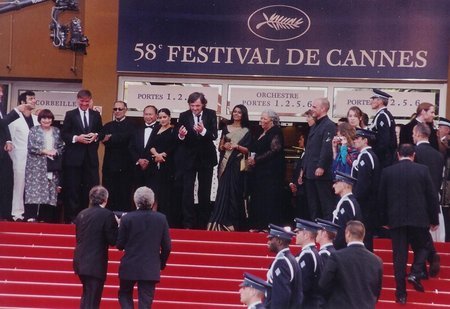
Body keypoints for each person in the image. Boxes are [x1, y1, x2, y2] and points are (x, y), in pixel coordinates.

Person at [379, 144, 439, 304]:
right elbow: (432, 197)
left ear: (398, 155)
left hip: (396, 221)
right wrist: (434, 219)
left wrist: (384, 221)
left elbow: (382, 199)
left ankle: (401, 293)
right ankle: (416, 271)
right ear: (413, 155)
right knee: (424, 247)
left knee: (399, 257)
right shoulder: (423, 170)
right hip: (419, 219)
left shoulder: (387, 172)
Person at [116, 186, 171, 308]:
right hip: (150, 266)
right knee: (146, 301)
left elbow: (119, 245)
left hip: (130, 264)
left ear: (135, 201)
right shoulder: (161, 219)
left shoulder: (127, 218)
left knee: (124, 294)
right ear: (152, 202)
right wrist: (161, 263)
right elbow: (167, 246)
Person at [175, 92, 218, 229]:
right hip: (189, 159)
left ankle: (202, 224)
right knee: (187, 191)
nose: (194, 108)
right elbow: (179, 137)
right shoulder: (183, 115)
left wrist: (204, 131)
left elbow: (214, 135)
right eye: (192, 105)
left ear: (203, 104)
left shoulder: (211, 114)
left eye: (197, 106)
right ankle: (188, 223)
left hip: (206, 159)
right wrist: (181, 135)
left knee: (204, 192)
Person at [319, 220, 383, 308]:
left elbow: (323, 285)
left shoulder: (337, 257)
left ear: (348, 234)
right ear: (363, 235)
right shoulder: (377, 261)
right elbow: (377, 291)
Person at [73, 185, 118, 309]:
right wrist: (117, 226)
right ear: (105, 199)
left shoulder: (82, 214)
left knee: (87, 296)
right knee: (92, 299)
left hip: (81, 261)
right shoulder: (107, 215)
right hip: (95, 263)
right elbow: (112, 240)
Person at [61, 89, 103, 223]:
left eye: (87, 101)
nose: (84, 104)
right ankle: (73, 218)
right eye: (82, 101)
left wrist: (96, 136)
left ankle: (89, 217)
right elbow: (64, 134)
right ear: (77, 100)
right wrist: (76, 138)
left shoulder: (96, 115)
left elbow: (101, 132)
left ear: (90, 100)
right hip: (74, 159)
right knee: (73, 188)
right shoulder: (70, 114)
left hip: (90, 158)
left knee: (90, 188)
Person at [208, 104, 251, 231]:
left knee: (234, 192)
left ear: (243, 115)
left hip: (236, 165)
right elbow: (220, 146)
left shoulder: (246, 131)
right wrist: (224, 146)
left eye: (239, 112)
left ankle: (233, 223)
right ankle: (220, 222)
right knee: (223, 191)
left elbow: (247, 150)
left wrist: (236, 146)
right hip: (224, 164)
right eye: (235, 112)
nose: (236, 114)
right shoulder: (226, 128)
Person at [413, 123, 444, 277]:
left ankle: (426, 261)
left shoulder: (414, 153)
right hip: (432, 199)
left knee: (418, 235)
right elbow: (438, 181)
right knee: (422, 233)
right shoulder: (438, 155)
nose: (412, 136)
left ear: (418, 134)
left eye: (413, 133)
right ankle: (425, 264)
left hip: (416, 199)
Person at [24, 109, 64, 222]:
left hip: (52, 165)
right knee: (34, 189)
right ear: (40, 119)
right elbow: (31, 146)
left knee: (50, 189)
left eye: (49, 118)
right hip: (36, 165)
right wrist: (45, 151)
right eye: (44, 118)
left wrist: (56, 151)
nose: (46, 120)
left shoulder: (56, 131)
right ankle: (31, 216)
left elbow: (61, 146)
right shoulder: (34, 130)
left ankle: (45, 218)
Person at [247, 110, 285, 230]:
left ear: (272, 120)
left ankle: (267, 225)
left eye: (264, 119)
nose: (261, 121)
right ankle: (257, 224)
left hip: (271, 173)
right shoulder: (262, 132)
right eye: (261, 118)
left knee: (268, 199)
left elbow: (274, 150)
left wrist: (256, 160)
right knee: (258, 198)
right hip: (259, 172)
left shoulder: (276, 132)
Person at [300, 98, 336, 220]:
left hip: (321, 173)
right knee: (313, 205)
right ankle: (314, 230)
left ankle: (328, 232)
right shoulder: (314, 126)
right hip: (310, 172)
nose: (312, 109)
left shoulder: (329, 125)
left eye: (314, 107)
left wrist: (321, 166)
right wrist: (303, 169)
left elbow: (326, 148)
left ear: (323, 109)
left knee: (325, 204)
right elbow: (309, 149)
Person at [8, 91, 39, 221]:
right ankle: (17, 213)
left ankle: (31, 214)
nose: (34, 101)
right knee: (19, 185)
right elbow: (10, 141)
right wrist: (14, 158)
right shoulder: (14, 120)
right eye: (31, 98)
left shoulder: (37, 119)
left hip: (35, 158)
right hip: (20, 156)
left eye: (34, 98)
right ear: (22, 102)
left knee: (33, 185)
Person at [101, 101, 136, 212]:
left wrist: (112, 137)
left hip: (126, 167)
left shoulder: (132, 125)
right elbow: (104, 139)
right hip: (109, 167)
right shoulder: (108, 125)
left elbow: (128, 139)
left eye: (120, 109)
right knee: (109, 196)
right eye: (115, 109)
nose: (117, 111)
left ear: (125, 110)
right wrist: (115, 138)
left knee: (125, 196)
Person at [351, 128, 381, 251]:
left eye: (358, 138)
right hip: (367, 201)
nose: (355, 141)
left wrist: (355, 198)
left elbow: (363, 183)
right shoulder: (366, 155)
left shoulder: (366, 156)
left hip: (365, 202)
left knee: (365, 234)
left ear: (365, 140)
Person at [149, 108, 178, 225]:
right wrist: (156, 155)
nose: (162, 119)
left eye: (164, 117)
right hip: (155, 164)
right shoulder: (156, 128)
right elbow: (150, 145)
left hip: (168, 165)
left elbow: (174, 146)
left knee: (165, 194)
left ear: (169, 117)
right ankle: (152, 219)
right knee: (154, 192)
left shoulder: (173, 130)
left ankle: (165, 222)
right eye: (160, 117)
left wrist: (163, 155)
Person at [265, 224, 303, 309]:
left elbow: (281, 297)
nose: (268, 242)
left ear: (279, 241)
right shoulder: (290, 259)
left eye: (271, 239)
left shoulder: (282, 262)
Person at [294, 218, 324, 308]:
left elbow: (303, 285)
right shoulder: (311, 252)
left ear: (306, 235)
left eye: (298, 232)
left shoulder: (307, 255)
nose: (296, 235)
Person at [129, 105, 159, 192]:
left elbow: (160, 147)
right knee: (137, 194)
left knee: (153, 195)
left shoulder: (161, 129)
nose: (148, 117)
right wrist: (139, 160)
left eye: (150, 114)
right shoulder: (136, 129)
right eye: (146, 114)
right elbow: (131, 147)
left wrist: (149, 160)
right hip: (138, 169)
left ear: (156, 116)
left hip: (153, 168)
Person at [0, 104, 23, 221]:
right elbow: (3, 122)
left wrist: (8, 140)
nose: (1, 94)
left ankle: (4, 214)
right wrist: (16, 111)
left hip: (3, 153)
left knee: (6, 183)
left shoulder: (1, 108)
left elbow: (5, 127)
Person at [331, 171, 363, 249]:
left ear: (343, 184)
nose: (333, 185)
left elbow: (343, 229)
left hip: (344, 248)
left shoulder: (347, 203)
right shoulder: (349, 201)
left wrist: (335, 247)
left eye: (336, 183)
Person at [369, 89, 397, 168]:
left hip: (383, 160)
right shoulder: (383, 114)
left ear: (380, 101)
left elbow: (384, 141)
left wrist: (374, 154)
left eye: (373, 99)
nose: (370, 102)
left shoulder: (382, 116)